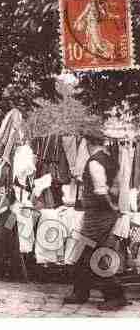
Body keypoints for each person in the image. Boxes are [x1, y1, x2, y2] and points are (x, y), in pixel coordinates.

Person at [63, 130, 128, 311]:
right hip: (103, 214)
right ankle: (80, 292)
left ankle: (115, 295)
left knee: (92, 254)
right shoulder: (110, 160)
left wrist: (110, 206)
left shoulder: (94, 162)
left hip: (98, 214)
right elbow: (116, 186)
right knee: (87, 252)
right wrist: (115, 207)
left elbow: (101, 191)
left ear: (87, 142)